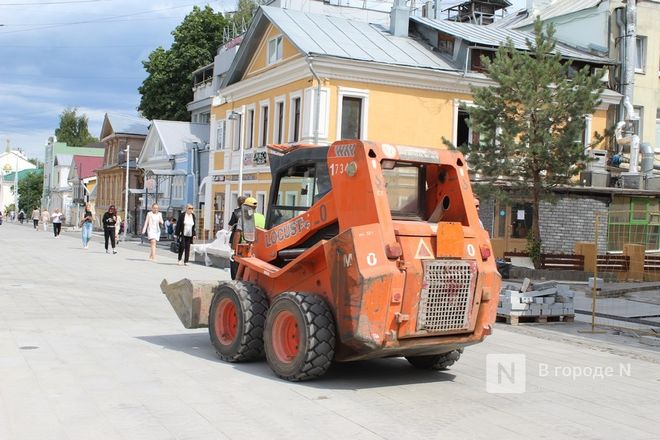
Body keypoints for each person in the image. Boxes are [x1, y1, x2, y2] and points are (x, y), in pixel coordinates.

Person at [229, 196, 246, 279]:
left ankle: (235, 277)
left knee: (233, 258)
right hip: (247, 240)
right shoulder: (250, 214)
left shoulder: (235, 212)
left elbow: (230, 224)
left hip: (236, 238)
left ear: (238, 203)